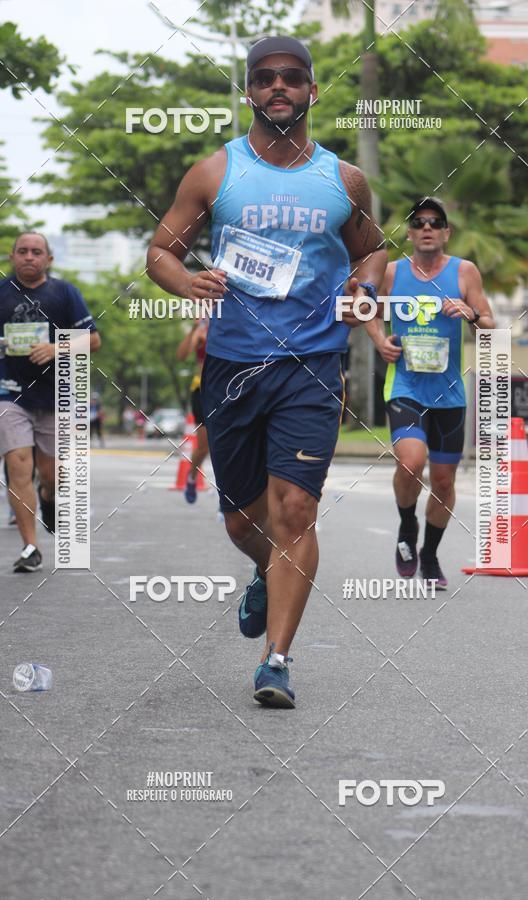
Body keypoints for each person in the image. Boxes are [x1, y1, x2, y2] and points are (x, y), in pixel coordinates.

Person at [147, 36, 387, 708]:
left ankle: (276, 660)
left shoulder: (343, 181)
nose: (279, 88)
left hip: (311, 366)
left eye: (292, 78)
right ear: (249, 92)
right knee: (241, 522)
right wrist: (186, 280)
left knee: (296, 511)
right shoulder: (215, 173)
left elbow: (371, 252)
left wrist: (362, 290)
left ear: (313, 91)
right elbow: (160, 251)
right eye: (265, 79)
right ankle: (265, 571)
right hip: (231, 366)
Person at [366, 198, 495, 588]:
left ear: (445, 232)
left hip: (449, 394)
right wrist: (379, 340)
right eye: (419, 222)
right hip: (404, 385)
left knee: (443, 482)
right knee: (410, 462)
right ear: (409, 232)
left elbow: (490, 326)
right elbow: (365, 308)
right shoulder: (390, 272)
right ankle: (407, 528)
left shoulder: (464, 272)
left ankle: (431, 555)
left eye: (435, 223)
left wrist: (471, 314)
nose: (427, 228)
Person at [0, 232, 101, 572]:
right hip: (9, 393)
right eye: (22, 251)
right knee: (19, 463)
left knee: (51, 476)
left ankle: (48, 499)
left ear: (48, 259)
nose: (29, 257)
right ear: (12, 256)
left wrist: (55, 348)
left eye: (37, 252)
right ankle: (30, 547)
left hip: (55, 395)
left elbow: (93, 340)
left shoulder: (65, 293)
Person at [176, 318, 209, 504]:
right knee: (205, 445)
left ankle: (228, 496)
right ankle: (191, 476)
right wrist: (195, 329)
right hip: (202, 390)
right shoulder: (203, 328)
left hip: (228, 390)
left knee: (228, 444)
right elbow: (181, 356)